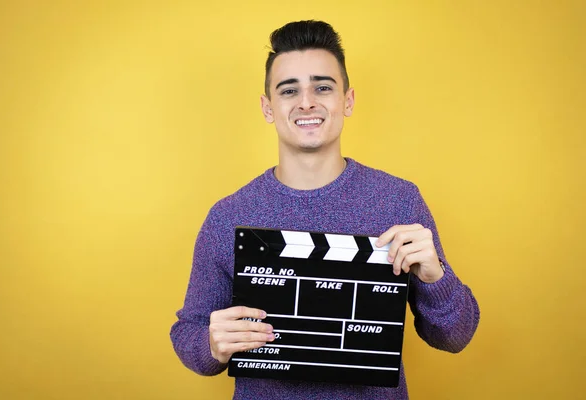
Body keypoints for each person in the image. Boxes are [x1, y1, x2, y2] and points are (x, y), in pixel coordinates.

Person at [170, 20, 480, 399]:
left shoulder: (398, 201)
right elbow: (188, 333)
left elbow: (455, 336)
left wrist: (436, 278)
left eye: (322, 87)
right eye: (289, 90)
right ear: (268, 108)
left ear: (347, 100)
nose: (306, 102)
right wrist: (210, 344)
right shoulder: (228, 216)